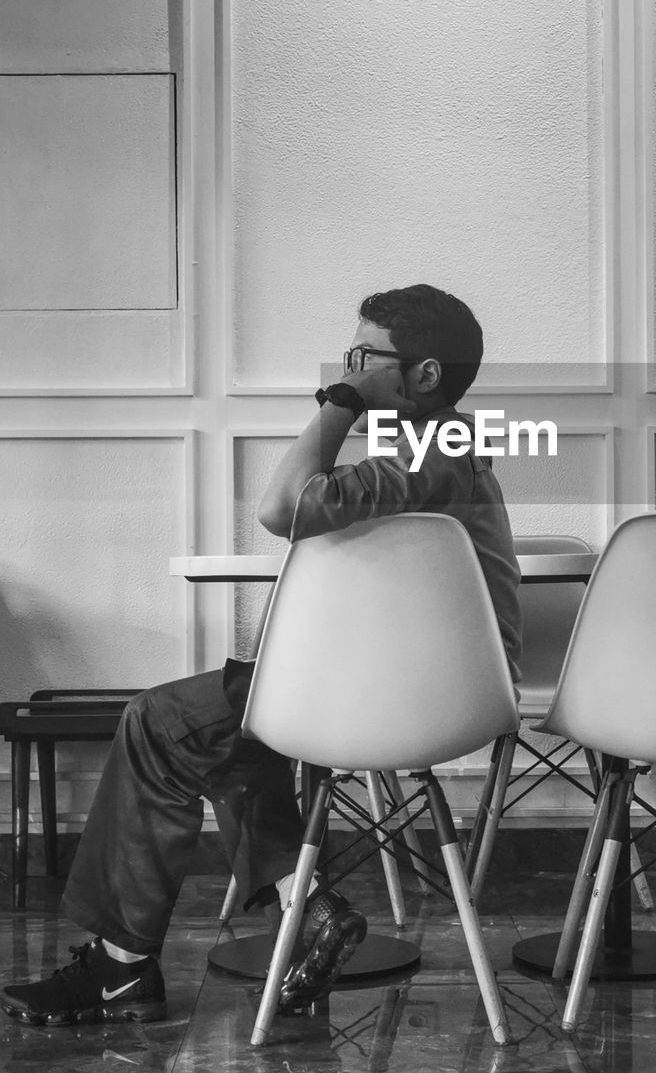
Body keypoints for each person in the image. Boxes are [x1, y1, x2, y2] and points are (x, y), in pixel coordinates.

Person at [1, 283, 522, 1028]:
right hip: (436, 686)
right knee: (226, 729)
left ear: (425, 374)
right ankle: (302, 910)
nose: (348, 367)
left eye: (364, 356)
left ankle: (128, 967)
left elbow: (280, 507)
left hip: (415, 693)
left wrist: (339, 401)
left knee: (160, 720)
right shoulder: (438, 455)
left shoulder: (435, 455)